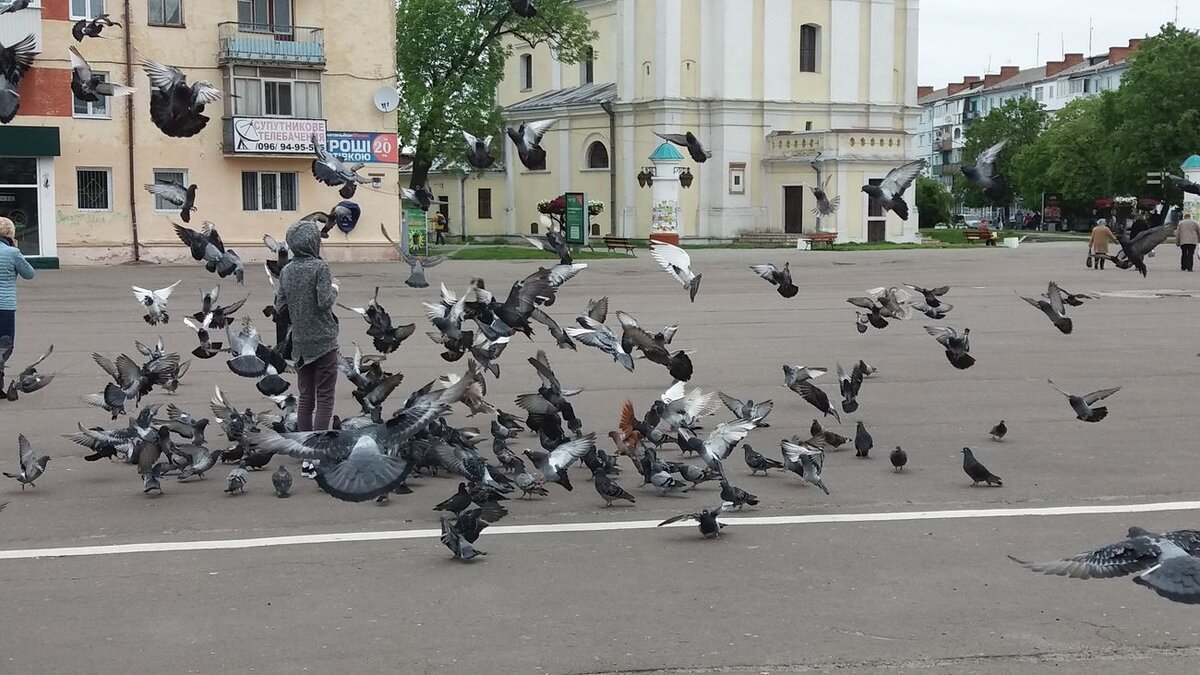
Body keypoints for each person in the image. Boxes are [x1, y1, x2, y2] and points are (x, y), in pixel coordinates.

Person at [275, 219, 340, 431]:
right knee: (325, 398)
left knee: (305, 400)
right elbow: (324, 301)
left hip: (300, 343)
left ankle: (305, 454)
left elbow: (280, 306)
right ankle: (317, 451)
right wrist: (334, 288)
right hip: (324, 341)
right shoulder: (320, 267)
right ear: (314, 242)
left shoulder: (286, 271)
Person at [0, 217, 36, 346]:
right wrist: (17, 250)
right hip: (5, 305)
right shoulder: (12, 252)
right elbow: (29, 274)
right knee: (5, 345)